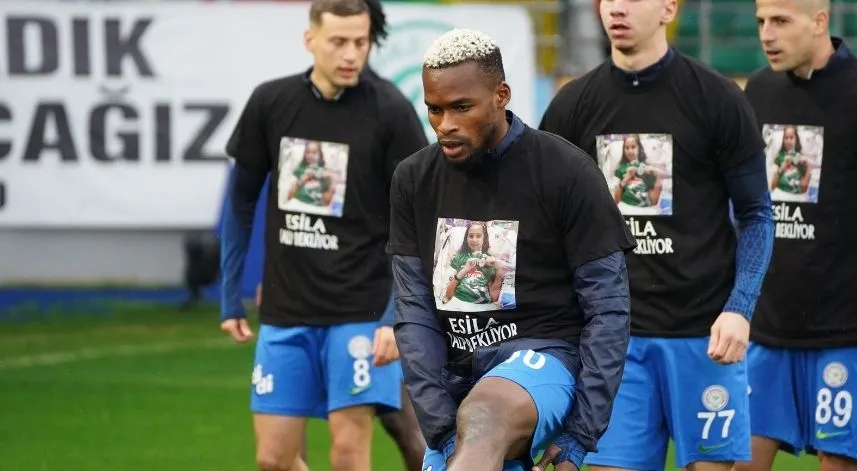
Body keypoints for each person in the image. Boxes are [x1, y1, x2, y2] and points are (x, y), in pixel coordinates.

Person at [538, 0, 775, 469]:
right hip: (613, 342)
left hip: (704, 337)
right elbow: (547, 227)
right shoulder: (571, 105)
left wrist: (740, 308)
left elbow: (757, 214)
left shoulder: (718, 97)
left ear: (668, 8)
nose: (616, 8)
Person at [388, 28, 636, 471]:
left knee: (485, 415)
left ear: (501, 95)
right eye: (435, 109)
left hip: (545, 359)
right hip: (458, 380)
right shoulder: (412, 179)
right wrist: (442, 432)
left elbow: (608, 310)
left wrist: (581, 433)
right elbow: (414, 315)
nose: (445, 124)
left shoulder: (567, 171)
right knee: (472, 431)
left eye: (461, 107)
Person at [218, 0, 428, 469]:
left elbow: (417, 220)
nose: (351, 54)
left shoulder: (390, 110)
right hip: (286, 309)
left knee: (349, 454)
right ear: (310, 39)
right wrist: (230, 293)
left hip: (360, 311)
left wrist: (394, 315)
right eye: (338, 42)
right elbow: (240, 203)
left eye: (360, 42)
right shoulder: (271, 102)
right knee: (273, 459)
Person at [736, 0, 857, 469]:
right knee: (741, 460)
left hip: (844, 330)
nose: (767, 34)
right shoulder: (759, 89)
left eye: (781, 21)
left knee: (837, 461)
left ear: (819, 21)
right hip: (768, 325)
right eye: (761, 22)